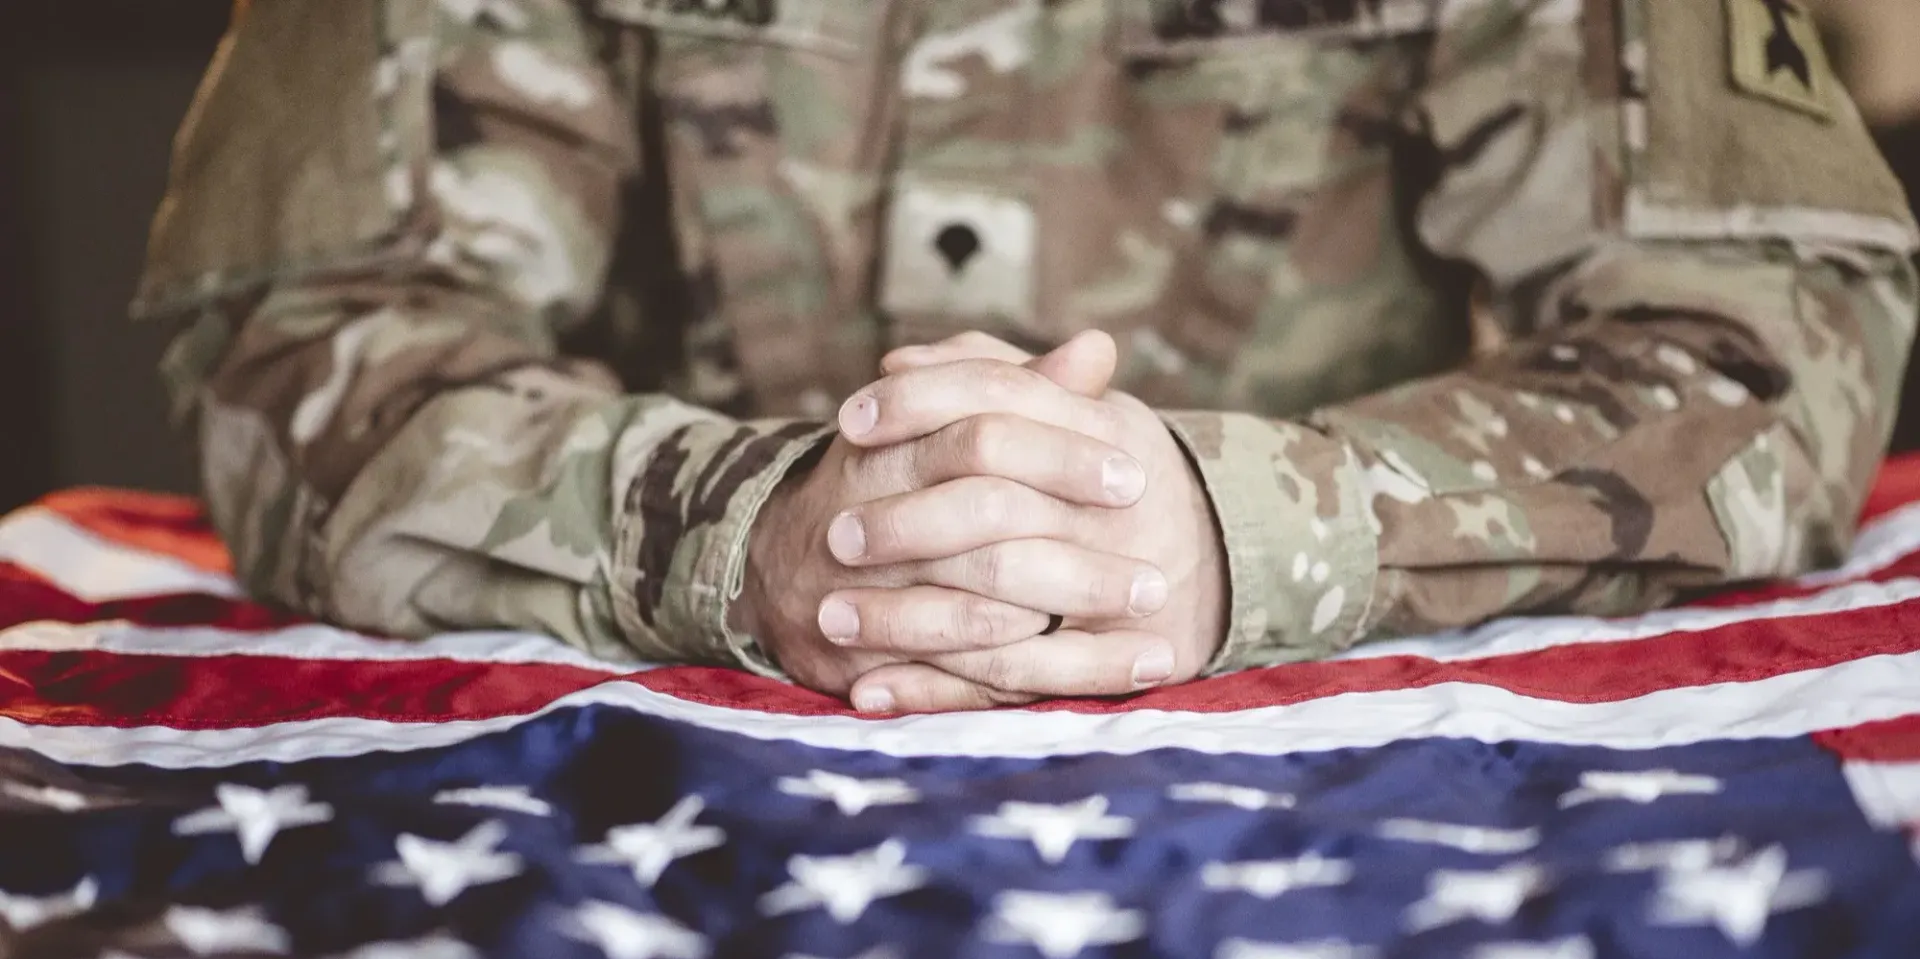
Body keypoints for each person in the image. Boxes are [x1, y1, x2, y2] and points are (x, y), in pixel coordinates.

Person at [136, 0, 1918, 714]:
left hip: (1332, 792)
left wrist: (1254, 526)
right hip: (643, 766)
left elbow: (1779, 324)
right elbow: (296, 339)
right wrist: (735, 525)